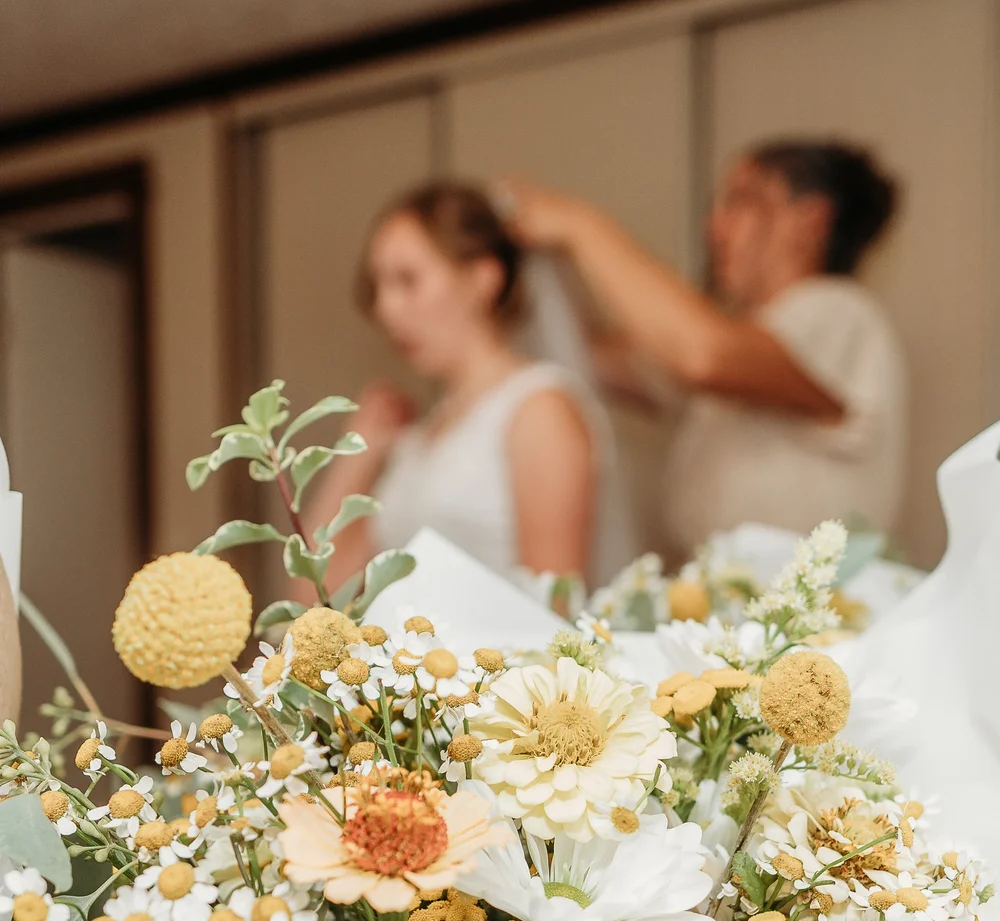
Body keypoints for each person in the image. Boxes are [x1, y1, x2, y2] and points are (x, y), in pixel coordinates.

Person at [500, 142, 906, 560]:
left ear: (810, 218)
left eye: (740, 201)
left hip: (800, 612)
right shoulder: (749, 341)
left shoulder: (839, 312)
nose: (714, 227)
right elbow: (591, 356)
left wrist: (579, 226)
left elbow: (703, 356)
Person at [307, 181, 633, 590]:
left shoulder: (540, 410)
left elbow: (555, 608)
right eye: (379, 286)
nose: (385, 309)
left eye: (407, 280)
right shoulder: (424, 433)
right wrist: (359, 453)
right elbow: (319, 592)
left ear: (483, 278)